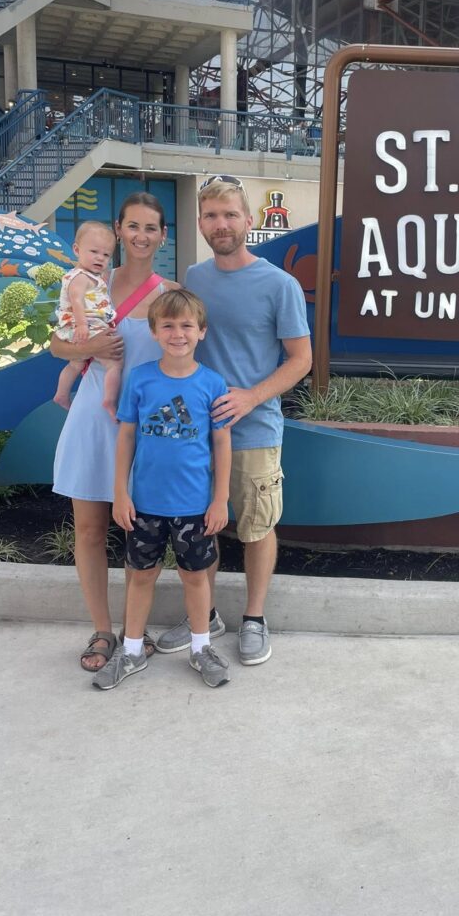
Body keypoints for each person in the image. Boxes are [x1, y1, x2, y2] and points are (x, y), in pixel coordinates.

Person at [156, 176, 312, 666]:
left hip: (253, 432)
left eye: (229, 215)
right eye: (210, 216)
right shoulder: (194, 278)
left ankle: (254, 618)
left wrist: (251, 397)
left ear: (249, 220)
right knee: (200, 529)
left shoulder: (279, 285)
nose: (220, 225)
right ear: (200, 222)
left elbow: (301, 359)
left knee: (255, 528)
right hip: (193, 435)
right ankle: (207, 616)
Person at [51, 192, 179, 672]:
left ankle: (134, 629)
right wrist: (88, 343)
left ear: (162, 235)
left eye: (151, 228)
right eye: (133, 226)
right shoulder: (89, 281)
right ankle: (103, 629)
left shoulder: (171, 291)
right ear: (119, 231)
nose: (141, 236)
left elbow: (184, 355)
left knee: (142, 532)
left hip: (147, 427)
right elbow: (56, 344)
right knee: (88, 529)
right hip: (91, 414)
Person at [93, 288, 232, 691]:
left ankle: (201, 647)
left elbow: (222, 443)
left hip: (194, 507)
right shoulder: (140, 379)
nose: (178, 333)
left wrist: (220, 498)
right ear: (154, 331)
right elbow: (126, 437)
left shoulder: (212, 383)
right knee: (140, 576)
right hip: (144, 506)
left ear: (202, 332)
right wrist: (120, 492)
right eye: (168, 325)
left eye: (187, 325)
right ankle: (132, 651)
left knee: (195, 578)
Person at [52, 221, 121, 417]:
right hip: (87, 326)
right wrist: (82, 324)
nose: (100, 258)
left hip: (81, 326)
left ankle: (61, 394)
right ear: (76, 249)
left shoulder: (91, 276)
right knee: (113, 364)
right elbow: (76, 299)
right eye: (94, 252)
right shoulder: (81, 276)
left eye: (106, 255)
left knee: (76, 364)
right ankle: (109, 400)